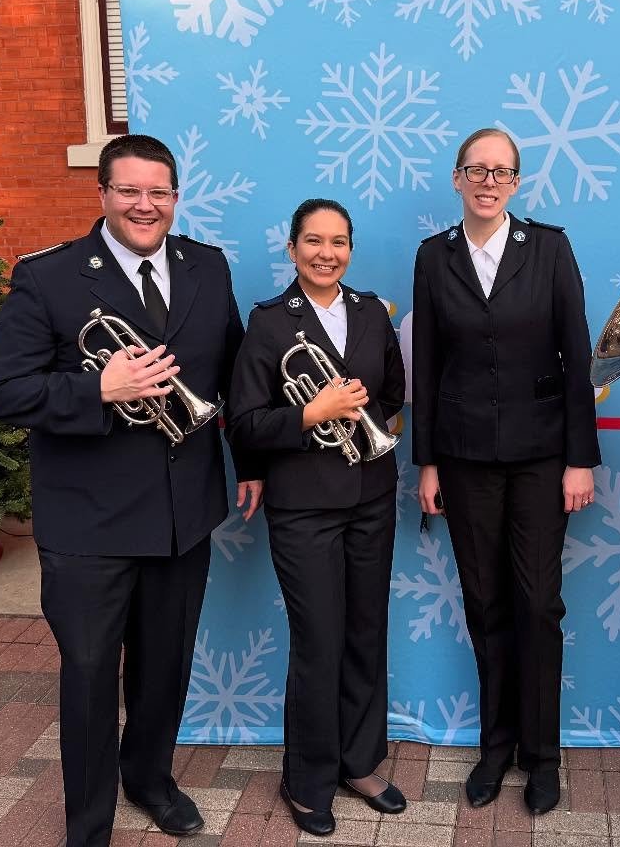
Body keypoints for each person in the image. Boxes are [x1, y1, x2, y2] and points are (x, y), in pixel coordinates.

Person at [0, 134, 263, 847]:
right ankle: (89, 827)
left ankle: (150, 778)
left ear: (175, 197)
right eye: (130, 190)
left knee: (164, 667)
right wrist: (97, 389)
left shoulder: (206, 265)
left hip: (181, 513)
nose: (145, 205)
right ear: (103, 193)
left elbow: (232, 376)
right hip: (90, 523)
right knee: (87, 675)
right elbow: (5, 392)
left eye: (158, 192)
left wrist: (252, 459)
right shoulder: (48, 276)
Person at [411, 128, 600, 816]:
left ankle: (542, 756)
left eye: (501, 172)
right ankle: (496, 747)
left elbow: (576, 353)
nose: (488, 181)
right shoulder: (433, 256)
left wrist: (580, 459)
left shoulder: (549, 248)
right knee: (485, 603)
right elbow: (426, 365)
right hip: (463, 459)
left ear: (516, 183)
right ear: (457, 178)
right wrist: (427, 462)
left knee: (538, 606)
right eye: (477, 170)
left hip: (543, 459)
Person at [227, 198, 407, 837]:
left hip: (371, 496)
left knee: (366, 631)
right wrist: (310, 414)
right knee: (319, 640)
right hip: (303, 506)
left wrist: (359, 420)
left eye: (338, 242)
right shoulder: (270, 323)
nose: (326, 253)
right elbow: (246, 422)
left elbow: (392, 392)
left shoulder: (371, 313)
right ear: (292, 248)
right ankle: (306, 778)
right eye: (313, 241)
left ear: (350, 249)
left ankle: (360, 762)